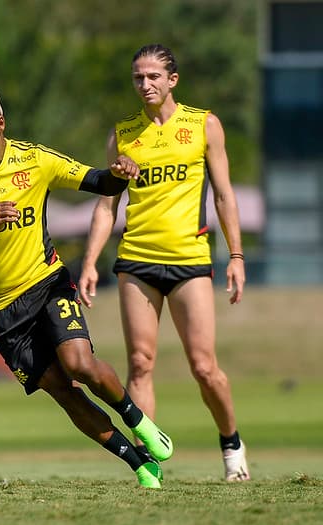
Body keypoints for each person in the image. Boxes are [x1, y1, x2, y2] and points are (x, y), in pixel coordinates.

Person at [0, 86, 174, 489]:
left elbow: (97, 182)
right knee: (63, 392)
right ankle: (138, 463)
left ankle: (137, 419)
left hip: (47, 283)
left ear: (0, 125)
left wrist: (119, 174)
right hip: (1, 309)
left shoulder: (36, 159)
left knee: (80, 363)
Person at [78, 44, 250, 481]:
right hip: (136, 261)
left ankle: (231, 444)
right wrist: (91, 263)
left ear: (172, 79)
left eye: (153, 76)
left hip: (190, 261)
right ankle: (148, 463)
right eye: (138, 77)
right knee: (140, 362)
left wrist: (235, 255)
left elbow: (225, 194)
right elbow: (105, 207)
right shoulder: (123, 134)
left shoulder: (203, 125)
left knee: (205, 367)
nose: (145, 84)